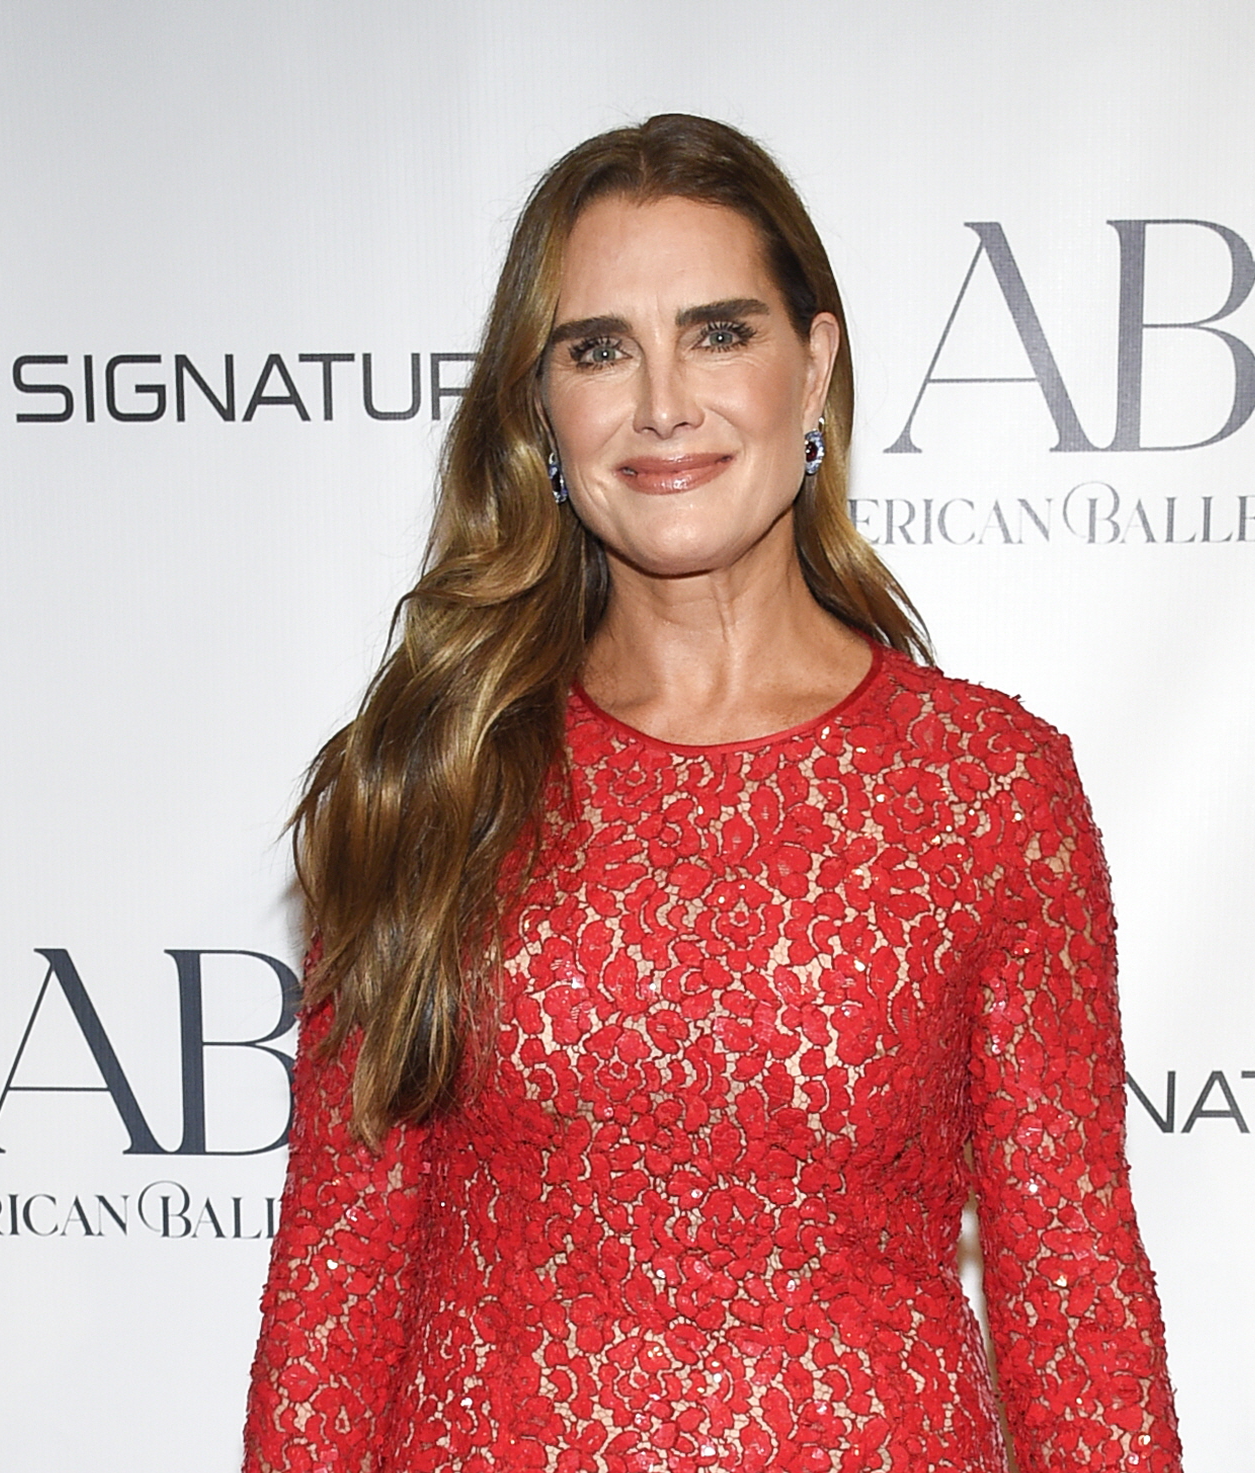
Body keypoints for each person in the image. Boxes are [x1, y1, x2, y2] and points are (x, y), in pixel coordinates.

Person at [242, 113, 1181, 1473]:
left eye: (719, 332)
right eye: (598, 348)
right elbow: (338, 1286)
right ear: (539, 407)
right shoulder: (434, 773)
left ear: (816, 368)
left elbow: (1074, 1298)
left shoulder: (986, 788)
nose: (663, 403)